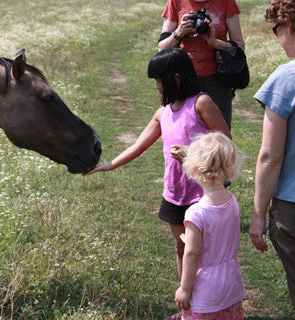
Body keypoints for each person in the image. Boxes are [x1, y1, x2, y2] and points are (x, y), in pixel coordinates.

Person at [84, 48, 230, 281]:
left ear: (177, 78)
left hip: (203, 194)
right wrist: (110, 165)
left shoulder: (201, 104)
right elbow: (138, 146)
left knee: (202, 252)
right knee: (181, 248)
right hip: (174, 194)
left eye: (160, 81)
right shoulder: (163, 112)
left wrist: (192, 152)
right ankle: (187, 310)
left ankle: (207, 305)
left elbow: (225, 141)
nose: (157, 86)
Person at [249, 0, 295, 312]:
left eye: (276, 29)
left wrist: (257, 214)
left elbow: (270, 156)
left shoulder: (285, 78)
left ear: (290, 26)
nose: (277, 38)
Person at [175, 131, 244, 319]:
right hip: (231, 283)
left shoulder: (196, 213)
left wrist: (184, 288)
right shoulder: (232, 201)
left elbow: (193, 253)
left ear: (195, 169)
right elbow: (221, 233)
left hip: (207, 292)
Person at [158, 0, 245, 130]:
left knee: (219, 133)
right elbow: (162, 48)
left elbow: (239, 46)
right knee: (182, 130)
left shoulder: (226, 2)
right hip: (183, 79)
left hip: (218, 79)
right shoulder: (176, 2)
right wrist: (179, 33)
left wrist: (215, 42)